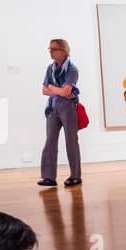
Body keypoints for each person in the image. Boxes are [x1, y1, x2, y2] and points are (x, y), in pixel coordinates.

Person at [39, 38, 82, 188]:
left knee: (71, 142)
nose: (50, 52)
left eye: (54, 49)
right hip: (52, 108)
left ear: (63, 50)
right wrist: (59, 91)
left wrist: (54, 88)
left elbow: (66, 91)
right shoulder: (50, 69)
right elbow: (44, 91)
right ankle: (48, 177)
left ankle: (75, 176)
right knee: (50, 141)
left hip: (68, 108)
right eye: (49, 49)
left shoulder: (72, 69)